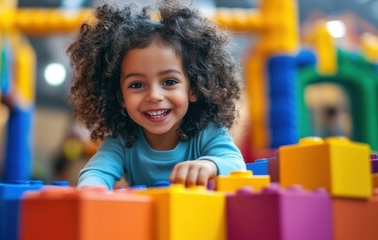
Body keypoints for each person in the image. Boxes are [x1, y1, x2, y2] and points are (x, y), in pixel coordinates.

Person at [67, 1, 245, 190]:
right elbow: (96, 172)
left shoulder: (207, 134)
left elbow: (236, 165)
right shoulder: (122, 142)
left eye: (169, 82)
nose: (154, 95)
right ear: (121, 98)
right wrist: (92, 189)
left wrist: (210, 165)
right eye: (137, 85)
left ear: (193, 89)